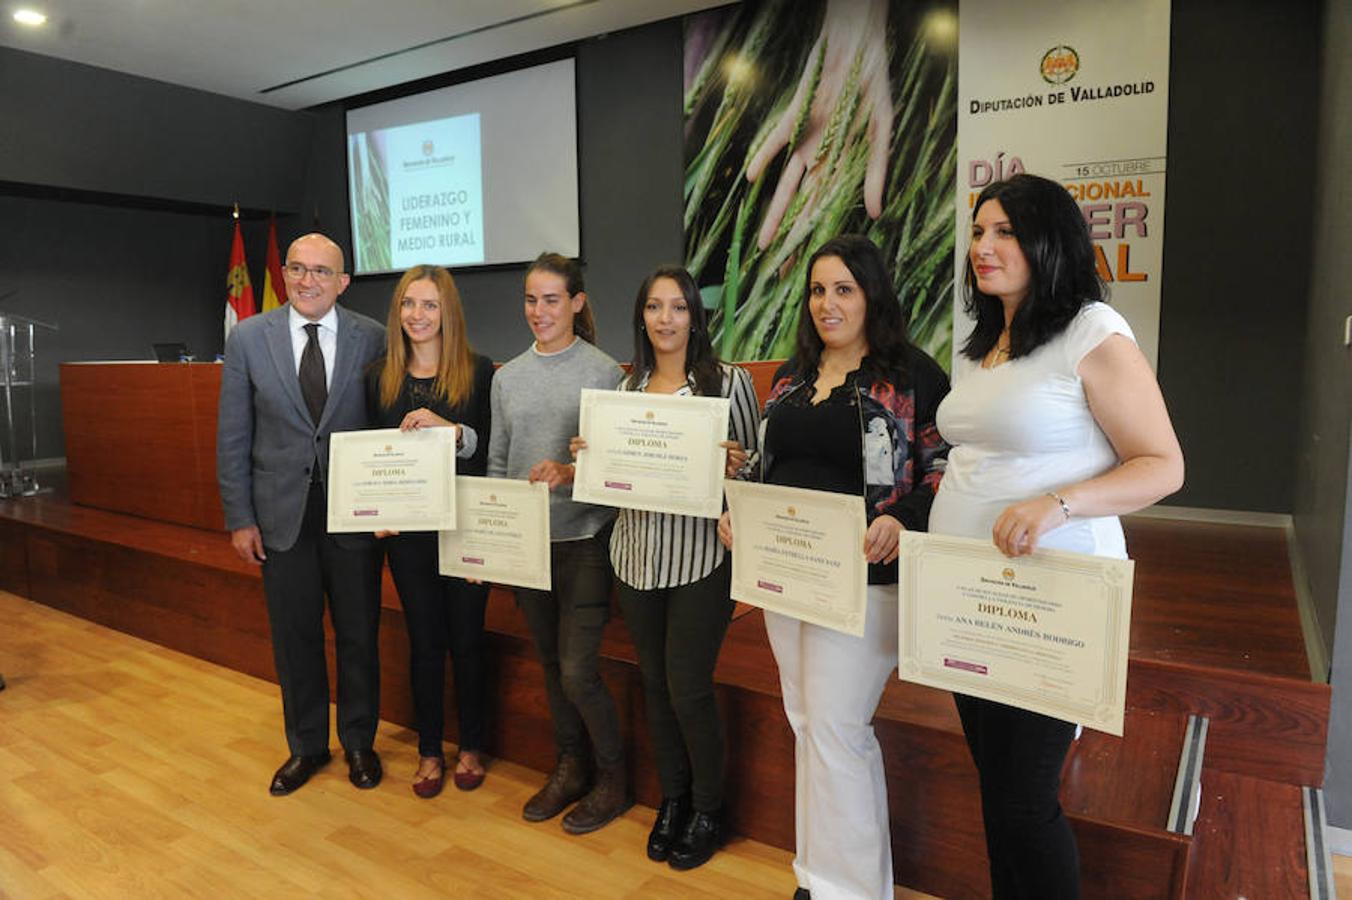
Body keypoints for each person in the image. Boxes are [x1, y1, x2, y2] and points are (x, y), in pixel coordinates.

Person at [933, 173, 1184, 898]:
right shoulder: (989, 338)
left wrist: (1060, 504)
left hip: (1051, 602)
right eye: (979, 231)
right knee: (996, 791)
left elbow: (1164, 465)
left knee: (1022, 802)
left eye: (1005, 231)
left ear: (1050, 241)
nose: (983, 246)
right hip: (972, 594)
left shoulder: (1092, 331)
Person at [719, 234, 950, 899]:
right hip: (788, 579)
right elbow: (768, 466)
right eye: (818, 290)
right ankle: (816, 876)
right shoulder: (792, 377)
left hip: (865, 584)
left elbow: (947, 469)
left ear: (871, 293)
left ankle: (853, 890)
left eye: (843, 289)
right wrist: (739, 511)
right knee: (807, 726)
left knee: (838, 731)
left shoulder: (910, 374)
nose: (828, 303)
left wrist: (902, 519)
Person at [568, 265, 760, 870]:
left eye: (678, 308)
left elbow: (758, 467)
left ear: (694, 317)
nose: (666, 319)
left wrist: (738, 467)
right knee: (654, 686)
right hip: (634, 558)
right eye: (655, 307)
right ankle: (673, 799)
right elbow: (611, 484)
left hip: (701, 560)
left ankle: (708, 808)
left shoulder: (729, 384)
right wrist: (588, 459)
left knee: (689, 687)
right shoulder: (624, 394)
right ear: (641, 317)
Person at [217, 233, 387, 795]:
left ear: (343, 282)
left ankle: (359, 741)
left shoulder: (375, 338)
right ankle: (307, 746)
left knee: (360, 632)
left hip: (354, 514)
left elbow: (388, 428)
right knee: (295, 637)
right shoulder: (247, 338)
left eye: (321, 271)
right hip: (279, 516)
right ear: (285, 274)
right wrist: (240, 516)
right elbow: (234, 434)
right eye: (296, 268)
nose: (306, 280)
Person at [487, 252, 629, 834]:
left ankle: (614, 779)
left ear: (576, 303)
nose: (538, 311)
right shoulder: (506, 377)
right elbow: (498, 462)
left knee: (577, 672)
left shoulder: (604, 373)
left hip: (586, 539)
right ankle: (570, 767)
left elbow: (618, 465)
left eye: (551, 299)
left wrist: (572, 474)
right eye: (530, 299)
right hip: (528, 547)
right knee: (550, 667)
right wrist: (493, 539)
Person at [366, 265, 494, 799]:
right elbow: (370, 455)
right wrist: (374, 510)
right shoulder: (379, 377)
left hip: (465, 528)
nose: (417, 316)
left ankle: (471, 743)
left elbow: (489, 452)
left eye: (429, 305)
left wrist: (453, 431)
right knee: (424, 641)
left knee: (467, 640)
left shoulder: (480, 371)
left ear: (448, 313)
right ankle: (428, 750)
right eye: (408, 304)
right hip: (409, 535)